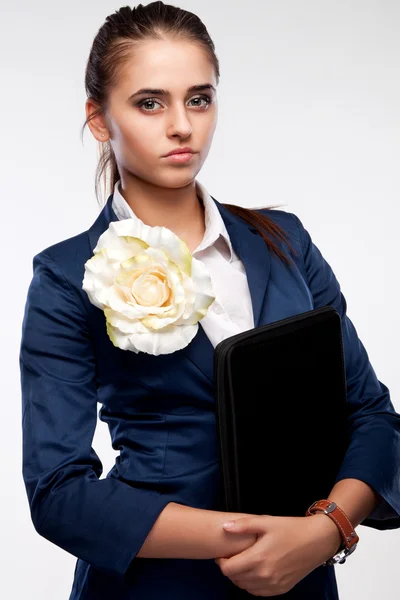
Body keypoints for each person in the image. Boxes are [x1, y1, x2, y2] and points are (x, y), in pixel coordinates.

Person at [19, 3, 400, 599]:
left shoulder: (286, 241)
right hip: (156, 584)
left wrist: (326, 532)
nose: (182, 125)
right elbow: (59, 492)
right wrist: (247, 537)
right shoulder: (67, 275)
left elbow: (372, 414)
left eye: (199, 99)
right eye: (150, 102)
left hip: (303, 580)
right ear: (99, 119)